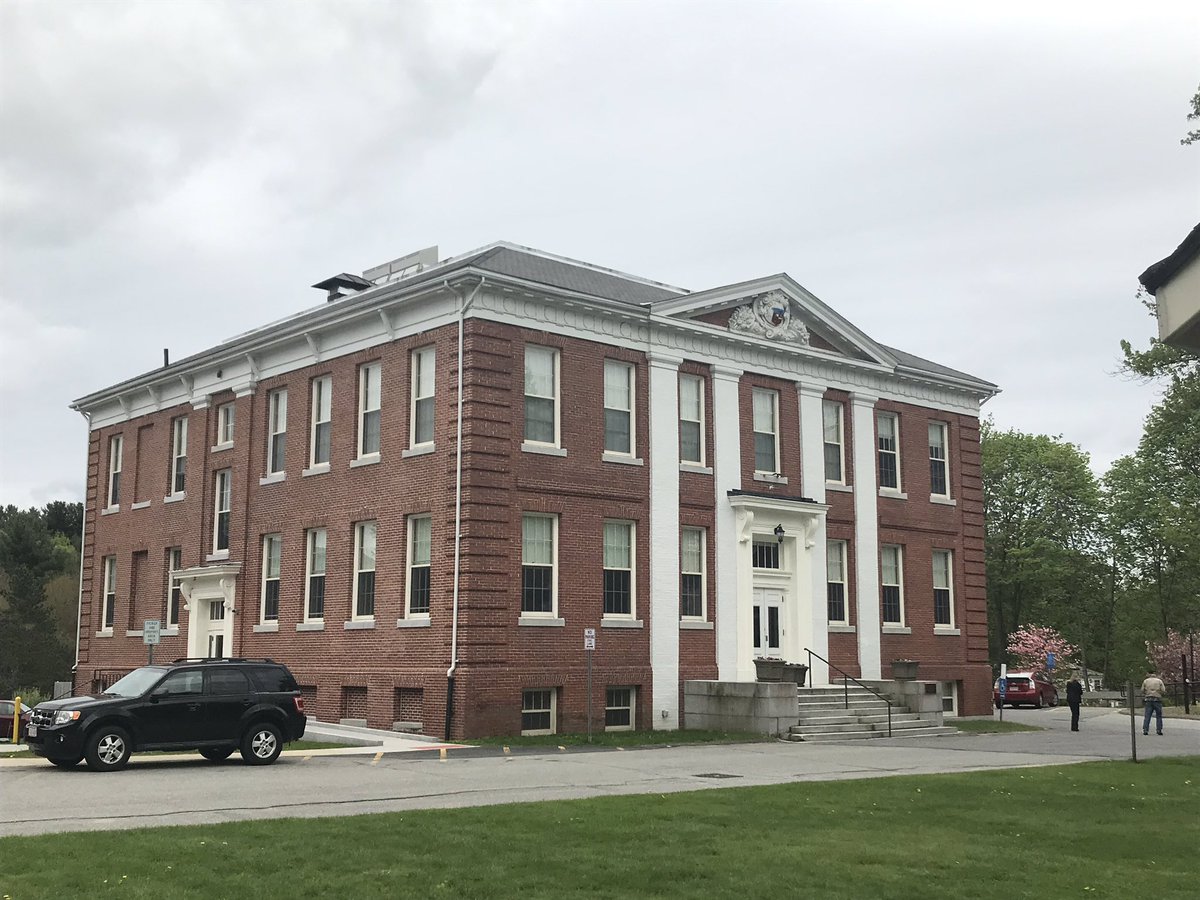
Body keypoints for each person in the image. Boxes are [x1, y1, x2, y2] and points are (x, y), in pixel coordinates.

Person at [1141, 669, 1166, 736]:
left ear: (1149, 674)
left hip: (1148, 699)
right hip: (1157, 699)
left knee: (1147, 716)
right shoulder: (1159, 681)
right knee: (1159, 716)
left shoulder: (1146, 681)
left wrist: (1146, 693)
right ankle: (1159, 730)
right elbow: (1163, 690)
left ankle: (1145, 730)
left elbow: (1142, 690)